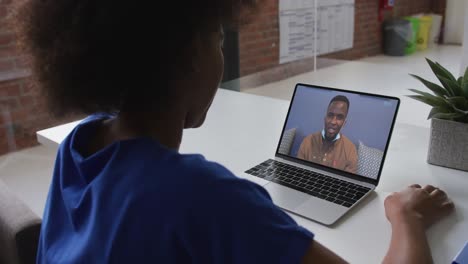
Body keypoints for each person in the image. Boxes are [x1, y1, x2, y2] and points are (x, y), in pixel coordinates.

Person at [13, 0, 454, 263]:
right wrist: (407, 217)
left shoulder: (80, 144)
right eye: (218, 41)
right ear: (188, 55)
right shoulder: (202, 195)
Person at [297, 95, 358, 173]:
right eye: (330, 115)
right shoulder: (307, 141)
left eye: (339, 117)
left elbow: (348, 182)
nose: (333, 122)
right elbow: (298, 171)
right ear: (325, 118)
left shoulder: (350, 150)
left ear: (344, 123)